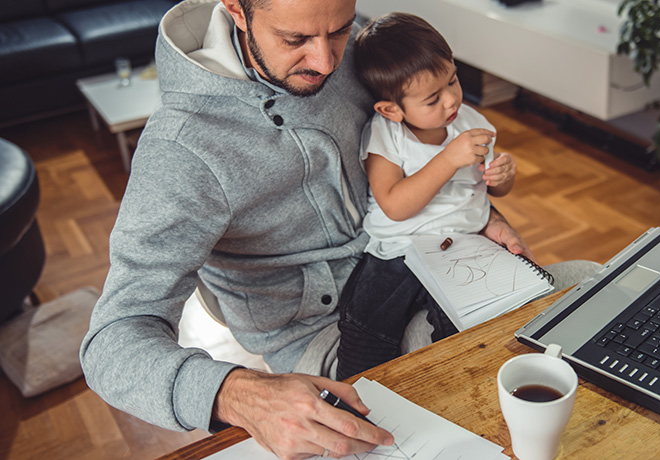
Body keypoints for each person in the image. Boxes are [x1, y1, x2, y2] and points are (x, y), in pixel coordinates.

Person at [79, 1, 599, 459]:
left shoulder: (359, 53)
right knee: (549, 349)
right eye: (295, 39)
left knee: (593, 286)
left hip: (432, 259)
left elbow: (423, 145)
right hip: (335, 340)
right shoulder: (181, 151)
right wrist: (236, 392)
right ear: (236, 10)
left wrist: (487, 214)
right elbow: (111, 341)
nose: (327, 63)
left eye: (340, 30)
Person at [335, 13, 518, 380]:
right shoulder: (388, 135)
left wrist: (504, 176)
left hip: (464, 245)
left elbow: (489, 188)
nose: (452, 101)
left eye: (453, 80)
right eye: (433, 99)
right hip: (398, 251)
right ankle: (358, 404)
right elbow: (394, 204)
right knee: (365, 328)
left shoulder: (469, 123)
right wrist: (449, 159)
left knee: (468, 326)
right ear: (392, 109)